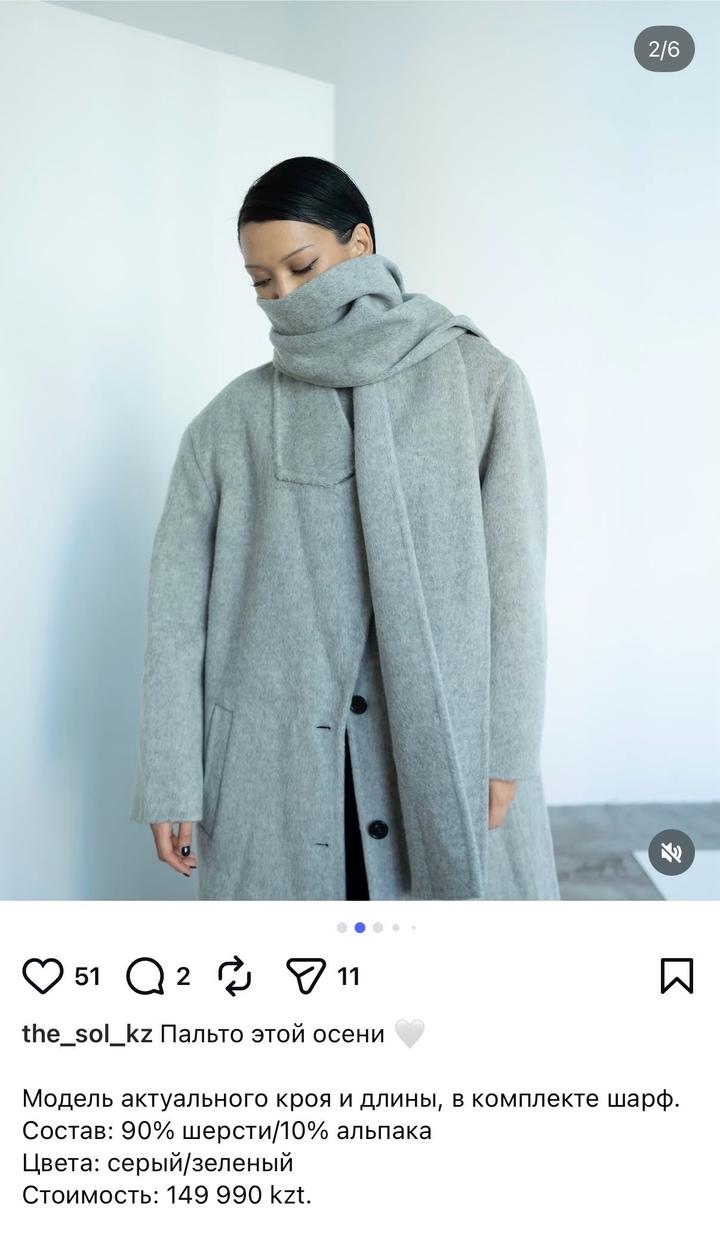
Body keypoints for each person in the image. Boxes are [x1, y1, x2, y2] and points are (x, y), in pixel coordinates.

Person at [130, 155, 561, 901]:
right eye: (262, 282)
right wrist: (171, 776)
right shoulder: (227, 425)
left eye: (302, 267)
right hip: (276, 770)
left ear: (360, 245)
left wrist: (506, 751)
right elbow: (175, 620)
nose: (285, 296)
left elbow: (516, 587)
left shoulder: (483, 384)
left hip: (443, 749)